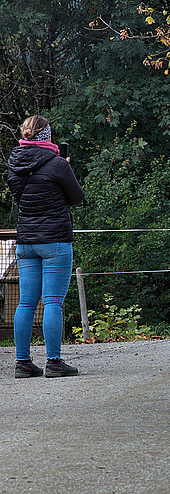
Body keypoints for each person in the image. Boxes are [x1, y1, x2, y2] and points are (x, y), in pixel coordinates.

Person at [7, 115, 84, 378]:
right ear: (46, 137)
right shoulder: (58, 164)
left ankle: (23, 363)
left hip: (26, 241)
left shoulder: (14, 164)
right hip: (55, 240)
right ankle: (53, 361)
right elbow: (77, 199)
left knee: (26, 303)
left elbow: (22, 198)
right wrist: (66, 169)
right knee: (52, 301)